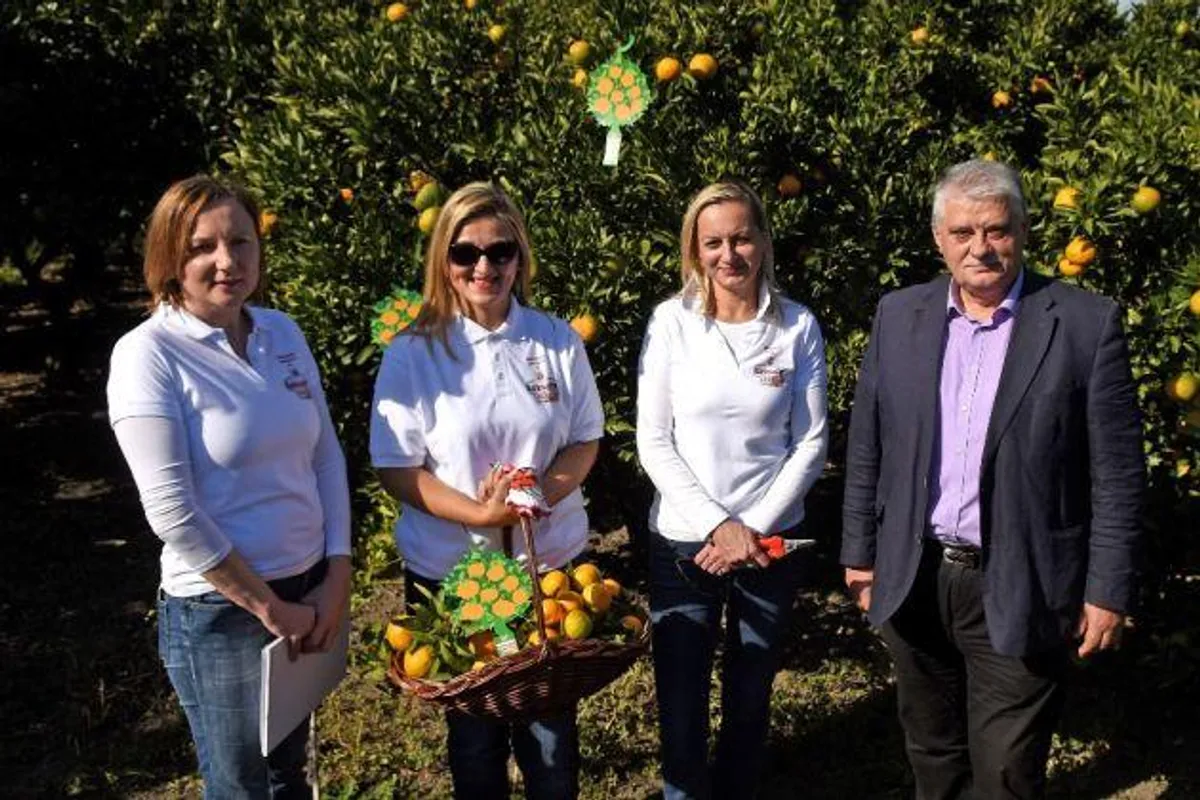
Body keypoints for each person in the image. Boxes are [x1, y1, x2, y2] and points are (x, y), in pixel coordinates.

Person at [841, 159, 1144, 799]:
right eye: (963, 233)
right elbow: (868, 441)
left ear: (1024, 231)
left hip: (1022, 577)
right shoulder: (900, 316)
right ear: (939, 240)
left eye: (997, 230)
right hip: (914, 575)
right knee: (932, 755)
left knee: (1007, 770)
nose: (981, 248)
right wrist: (859, 554)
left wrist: (1107, 589)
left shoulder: (1084, 324)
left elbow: (1118, 473)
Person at [107, 175, 352, 798]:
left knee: (286, 773)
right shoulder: (149, 354)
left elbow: (324, 453)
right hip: (223, 609)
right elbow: (172, 511)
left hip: (307, 589)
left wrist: (338, 572)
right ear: (169, 258)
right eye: (203, 246)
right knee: (241, 786)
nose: (227, 261)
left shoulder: (281, 333)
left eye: (240, 241)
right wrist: (271, 608)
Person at [369, 182, 604, 799]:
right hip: (457, 575)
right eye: (465, 253)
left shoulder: (556, 341)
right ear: (442, 261)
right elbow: (397, 466)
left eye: (499, 251)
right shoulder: (415, 352)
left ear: (519, 257)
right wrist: (479, 511)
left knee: (551, 742)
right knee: (475, 742)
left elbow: (584, 440)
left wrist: (536, 497)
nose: (483, 267)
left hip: (545, 567)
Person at [636, 181, 829, 799]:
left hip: (770, 546)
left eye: (742, 237)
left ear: (765, 241)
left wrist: (753, 528)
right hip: (686, 547)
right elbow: (653, 441)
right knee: (681, 699)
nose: (730, 254)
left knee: (751, 692)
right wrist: (719, 525)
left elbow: (811, 442)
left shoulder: (797, 326)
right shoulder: (671, 323)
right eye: (713, 242)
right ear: (695, 251)